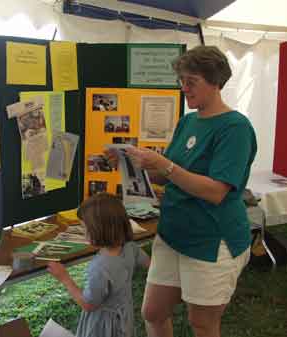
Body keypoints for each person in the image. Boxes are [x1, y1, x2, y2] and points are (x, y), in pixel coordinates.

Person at [106, 45, 257, 337]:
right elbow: (165, 177)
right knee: (152, 312)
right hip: (174, 233)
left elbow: (216, 192)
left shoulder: (235, 128)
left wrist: (164, 165)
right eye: (182, 81)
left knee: (201, 322)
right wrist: (128, 164)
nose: (184, 88)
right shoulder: (188, 121)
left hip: (211, 238)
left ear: (215, 81)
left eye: (192, 81)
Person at [47, 193, 150, 337]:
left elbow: (88, 304)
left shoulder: (100, 267)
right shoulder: (130, 247)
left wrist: (65, 278)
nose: (84, 233)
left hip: (103, 327)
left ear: (99, 230)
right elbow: (149, 264)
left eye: (85, 228)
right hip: (123, 318)